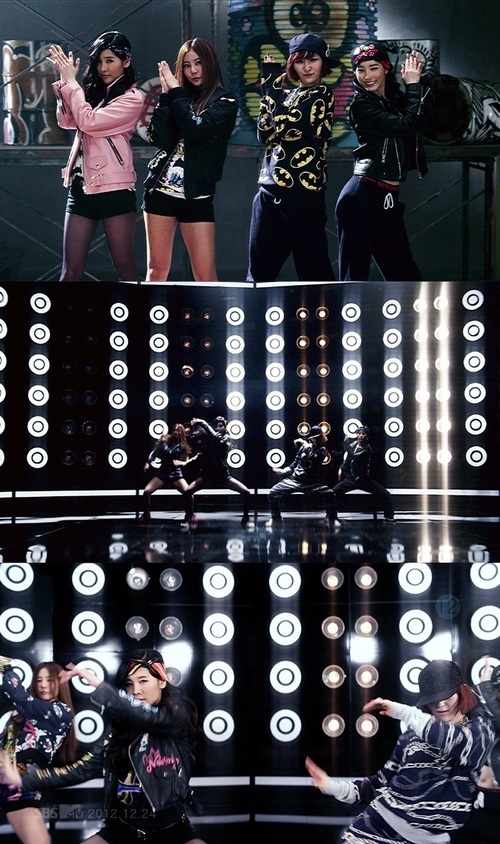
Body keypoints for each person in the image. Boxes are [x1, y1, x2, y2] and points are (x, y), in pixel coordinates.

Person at [0, 649, 206, 844]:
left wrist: (99, 685)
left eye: (143, 681)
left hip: (172, 831)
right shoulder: (119, 729)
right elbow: (84, 768)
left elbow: (151, 718)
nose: (136, 691)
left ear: (162, 681)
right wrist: (24, 780)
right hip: (121, 830)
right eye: (129, 683)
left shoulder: (178, 715)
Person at [306, 659, 495, 844]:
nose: (440, 705)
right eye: (433, 700)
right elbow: (380, 783)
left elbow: (454, 741)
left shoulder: (480, 731)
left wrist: (402, 712)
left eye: (447, 697)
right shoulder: (412, 735)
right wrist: (332, 786)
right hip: (375, 828)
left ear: (461, 692)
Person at [48, 32, 144, 281]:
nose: (103, 68)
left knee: (125, 270)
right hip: (82, 188)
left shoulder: (132, 99)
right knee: (70, 272)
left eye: (110, 61)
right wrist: (64, 83)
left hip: (115, 190)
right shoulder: (94, 94)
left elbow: (88, 122)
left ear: (126, 61)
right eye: (99, 61)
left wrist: (73, 85)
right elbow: (67, 122)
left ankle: (139, 309)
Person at [143, 37, 238, 281]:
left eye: (199, 63)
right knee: (156, 271)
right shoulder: (178, 99)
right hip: (160, 192)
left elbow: (196, 128)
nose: (193, 70)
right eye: (186, 65)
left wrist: (176, 93)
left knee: (205, 276)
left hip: (197, 196)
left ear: (210, 63)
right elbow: (158, 138)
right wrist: (166, 97)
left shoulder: (225, 101)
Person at [336, 42, 432, 280]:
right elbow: (407, 125)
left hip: (387, 197)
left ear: (386, 68)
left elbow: (423, 122)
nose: (367, 76)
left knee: (405, 276)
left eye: (374, 68)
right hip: (363, 196)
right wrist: (413, 87)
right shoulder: (361, 106)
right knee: (354, 277)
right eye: (361, 70)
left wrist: (418, 83)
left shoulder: (393, 102)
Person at [246, 32, 338, 283]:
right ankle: (253, 310)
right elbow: (264, 132)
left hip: (302, 194)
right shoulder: (286, 95)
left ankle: (325, 310)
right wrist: (271, 91)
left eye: (313, 60)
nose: (307, 67)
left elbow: (286, 128)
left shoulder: (323, 95)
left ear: (323, 62)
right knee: (258, 274)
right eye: (300, 61)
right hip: (268, 191)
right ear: (292, 65)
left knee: (314, 272)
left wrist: (270, 86)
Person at [0, 656, 76, 844]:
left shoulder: (61, 712)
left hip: (20, 785)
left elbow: (21, 699)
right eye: (39, 680)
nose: (43, 685)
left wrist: (6, 669)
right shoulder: (21, 714)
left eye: (49, 680)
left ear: (60, 683)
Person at [450, 657, 500, 843]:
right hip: (475, 797)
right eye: (498, 689)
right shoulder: (483, 710)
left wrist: (485, 685)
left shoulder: (491, 708)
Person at [185, 417, 254, 527]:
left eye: (221, 426)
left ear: (225, 427)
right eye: (216, 426)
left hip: (222, 475)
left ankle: (246, 517)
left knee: (246, 492)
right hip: (207, 475)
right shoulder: (208, 438)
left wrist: (203, 422)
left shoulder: (225, 438)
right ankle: (189, 516)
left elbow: (217, 438)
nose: (218, 428)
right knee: (188, 491)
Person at [267, 426, 339, 526]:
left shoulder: (322, 451)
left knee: (329, 494)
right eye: (314, 438)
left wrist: (303, 442)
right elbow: (294, 464)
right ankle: (276, 519)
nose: (316, 440)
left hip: (311, 483)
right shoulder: (304, 447)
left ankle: (332, 519)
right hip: (294, 480)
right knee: (272, 493)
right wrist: (283, 471)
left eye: (318, 437)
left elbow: (313, 457)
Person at [331, 425, 395, 523]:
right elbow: (347, 460)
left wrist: (346, 445)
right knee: (333, 493)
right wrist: (341, 468)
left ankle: (389, 516)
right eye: (359, 433)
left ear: (366, 436)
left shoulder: (367, 449)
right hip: (351, 479)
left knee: (385, 494)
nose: (361, 435)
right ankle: (331, 515)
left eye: (363, 434)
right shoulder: (353, 445)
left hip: (363, 479)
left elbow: (354, 455)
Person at [138, 423, 194, 526]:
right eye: (175, 430)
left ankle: (189, 515)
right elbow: (155, 452)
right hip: (163, 473)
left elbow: (169, 453)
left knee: (189, 493)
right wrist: (148, 463)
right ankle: (146, 514)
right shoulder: (167, 441)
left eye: (179, 431)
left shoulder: (181, 447)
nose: (176, 432)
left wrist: (163, 440)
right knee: (146, 491)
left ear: (182, 433)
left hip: (175, 474)